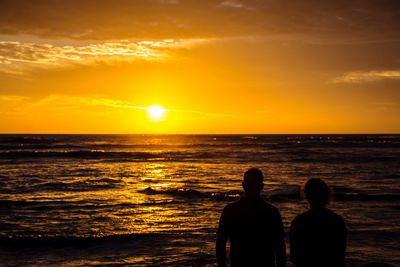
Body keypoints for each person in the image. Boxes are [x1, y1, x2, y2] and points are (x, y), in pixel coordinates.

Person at [216, 168, 286, 267]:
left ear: (243, 185)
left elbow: (220, 244)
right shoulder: (271, 212)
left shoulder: (230, 210)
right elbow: (280, 247)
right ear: (261, 186)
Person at [289, 178, 347, 267]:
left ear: (307, 195)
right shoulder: (336, 220)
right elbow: (340, 255)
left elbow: (294, 256)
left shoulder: (299, 221)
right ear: (326, 194)